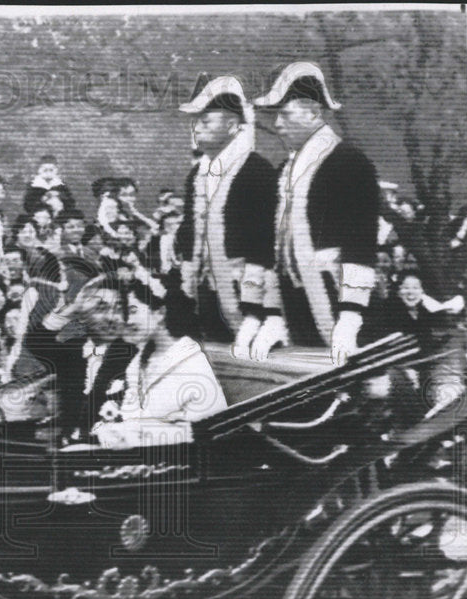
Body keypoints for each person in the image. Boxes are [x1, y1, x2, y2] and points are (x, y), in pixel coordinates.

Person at [251, 62, 381, 364]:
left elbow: (361, 241)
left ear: (313, 112)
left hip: (338, 296)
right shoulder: (285, 169)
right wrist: (273, 313)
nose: (278, 125)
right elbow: (275, 248)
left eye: (285, 114)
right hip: (296, 300)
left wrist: (351, 313)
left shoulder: (348, 160)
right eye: (275, 116)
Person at [177, 75, 278, 350]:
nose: (197, 129)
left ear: (232, 125)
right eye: (196, 122)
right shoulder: (196, 174)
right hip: (205, 293)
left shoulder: (257, 170)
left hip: (248, 295)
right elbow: (189, 235)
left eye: (205, 121)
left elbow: (266, 242)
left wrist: (258, 310)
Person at [91, 274, 226, 449]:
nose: (126, 321)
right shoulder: (137, 365)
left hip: (187, 464)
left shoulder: (189, 364)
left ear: (160, 313)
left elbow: (206, 433)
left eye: (132, 311)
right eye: (121, 313)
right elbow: (134, 419)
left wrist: (129, 435)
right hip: (147, 459)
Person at [21, 273, 137, 440]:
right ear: (82, 315)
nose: (112, 317)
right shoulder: (73, 350)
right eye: (101, 308)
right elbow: (35, 341)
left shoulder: (133, 354)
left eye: (118, 308)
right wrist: (72, 307)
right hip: (68, 445)